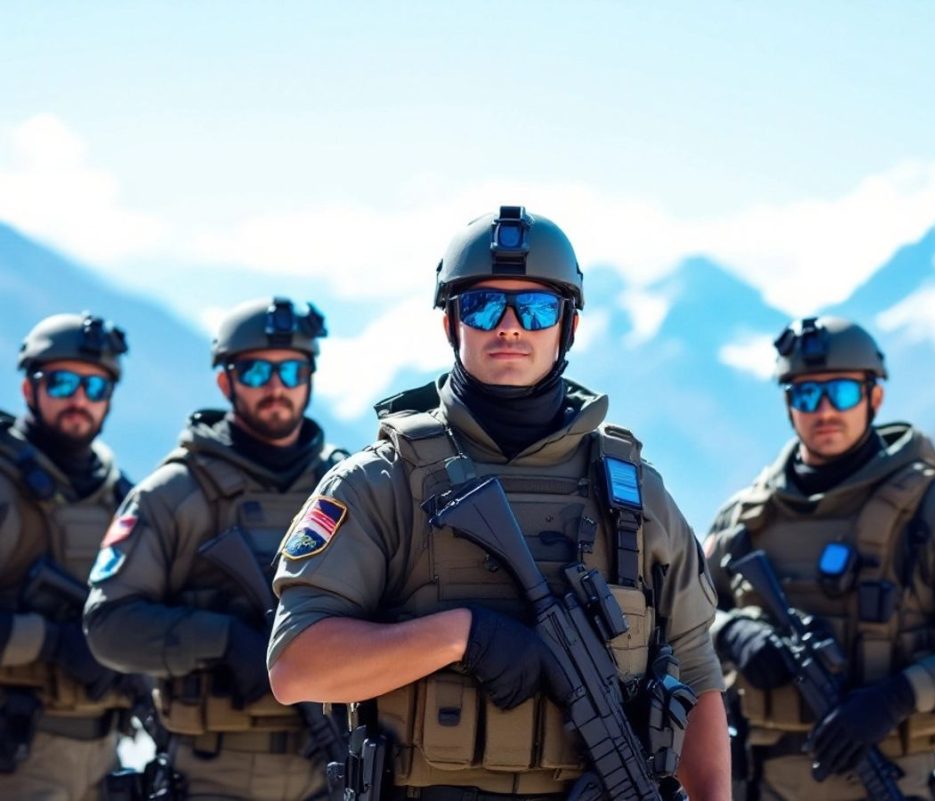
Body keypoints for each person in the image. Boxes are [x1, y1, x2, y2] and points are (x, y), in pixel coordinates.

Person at [267, 205, 731, 801]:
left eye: (536, 309)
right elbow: (295, 666)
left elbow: (695, 674)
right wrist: (463, 635)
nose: (509, 326)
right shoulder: (380, 483)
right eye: (483, 305)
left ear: (568, 327)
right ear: (450, 325)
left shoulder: (637, 496)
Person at [704, 316, 935, 801]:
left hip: (891, 780)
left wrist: (900, 695)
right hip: (761, 784)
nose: (823, 412)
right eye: (805, 395)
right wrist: (730, 632)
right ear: (787, 404)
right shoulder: (744, 519)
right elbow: (677, 619)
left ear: (874, 396)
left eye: (840, 393)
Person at [84, 298, 348, 801]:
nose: (276, 387)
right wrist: (222, 638)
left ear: (310, 378)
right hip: (212, 773)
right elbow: (107, 627)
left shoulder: (345, 488)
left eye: (291, 370)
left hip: (325, 772)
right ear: (226, 382)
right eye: (255, 372)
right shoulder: (175, 494)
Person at [0, 312, 133, 801]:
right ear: (28, 390)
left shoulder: (117, 492)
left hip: (104, 759)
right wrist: (51, 643)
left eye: (95, 387)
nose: (79, 399)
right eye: (62, 382)